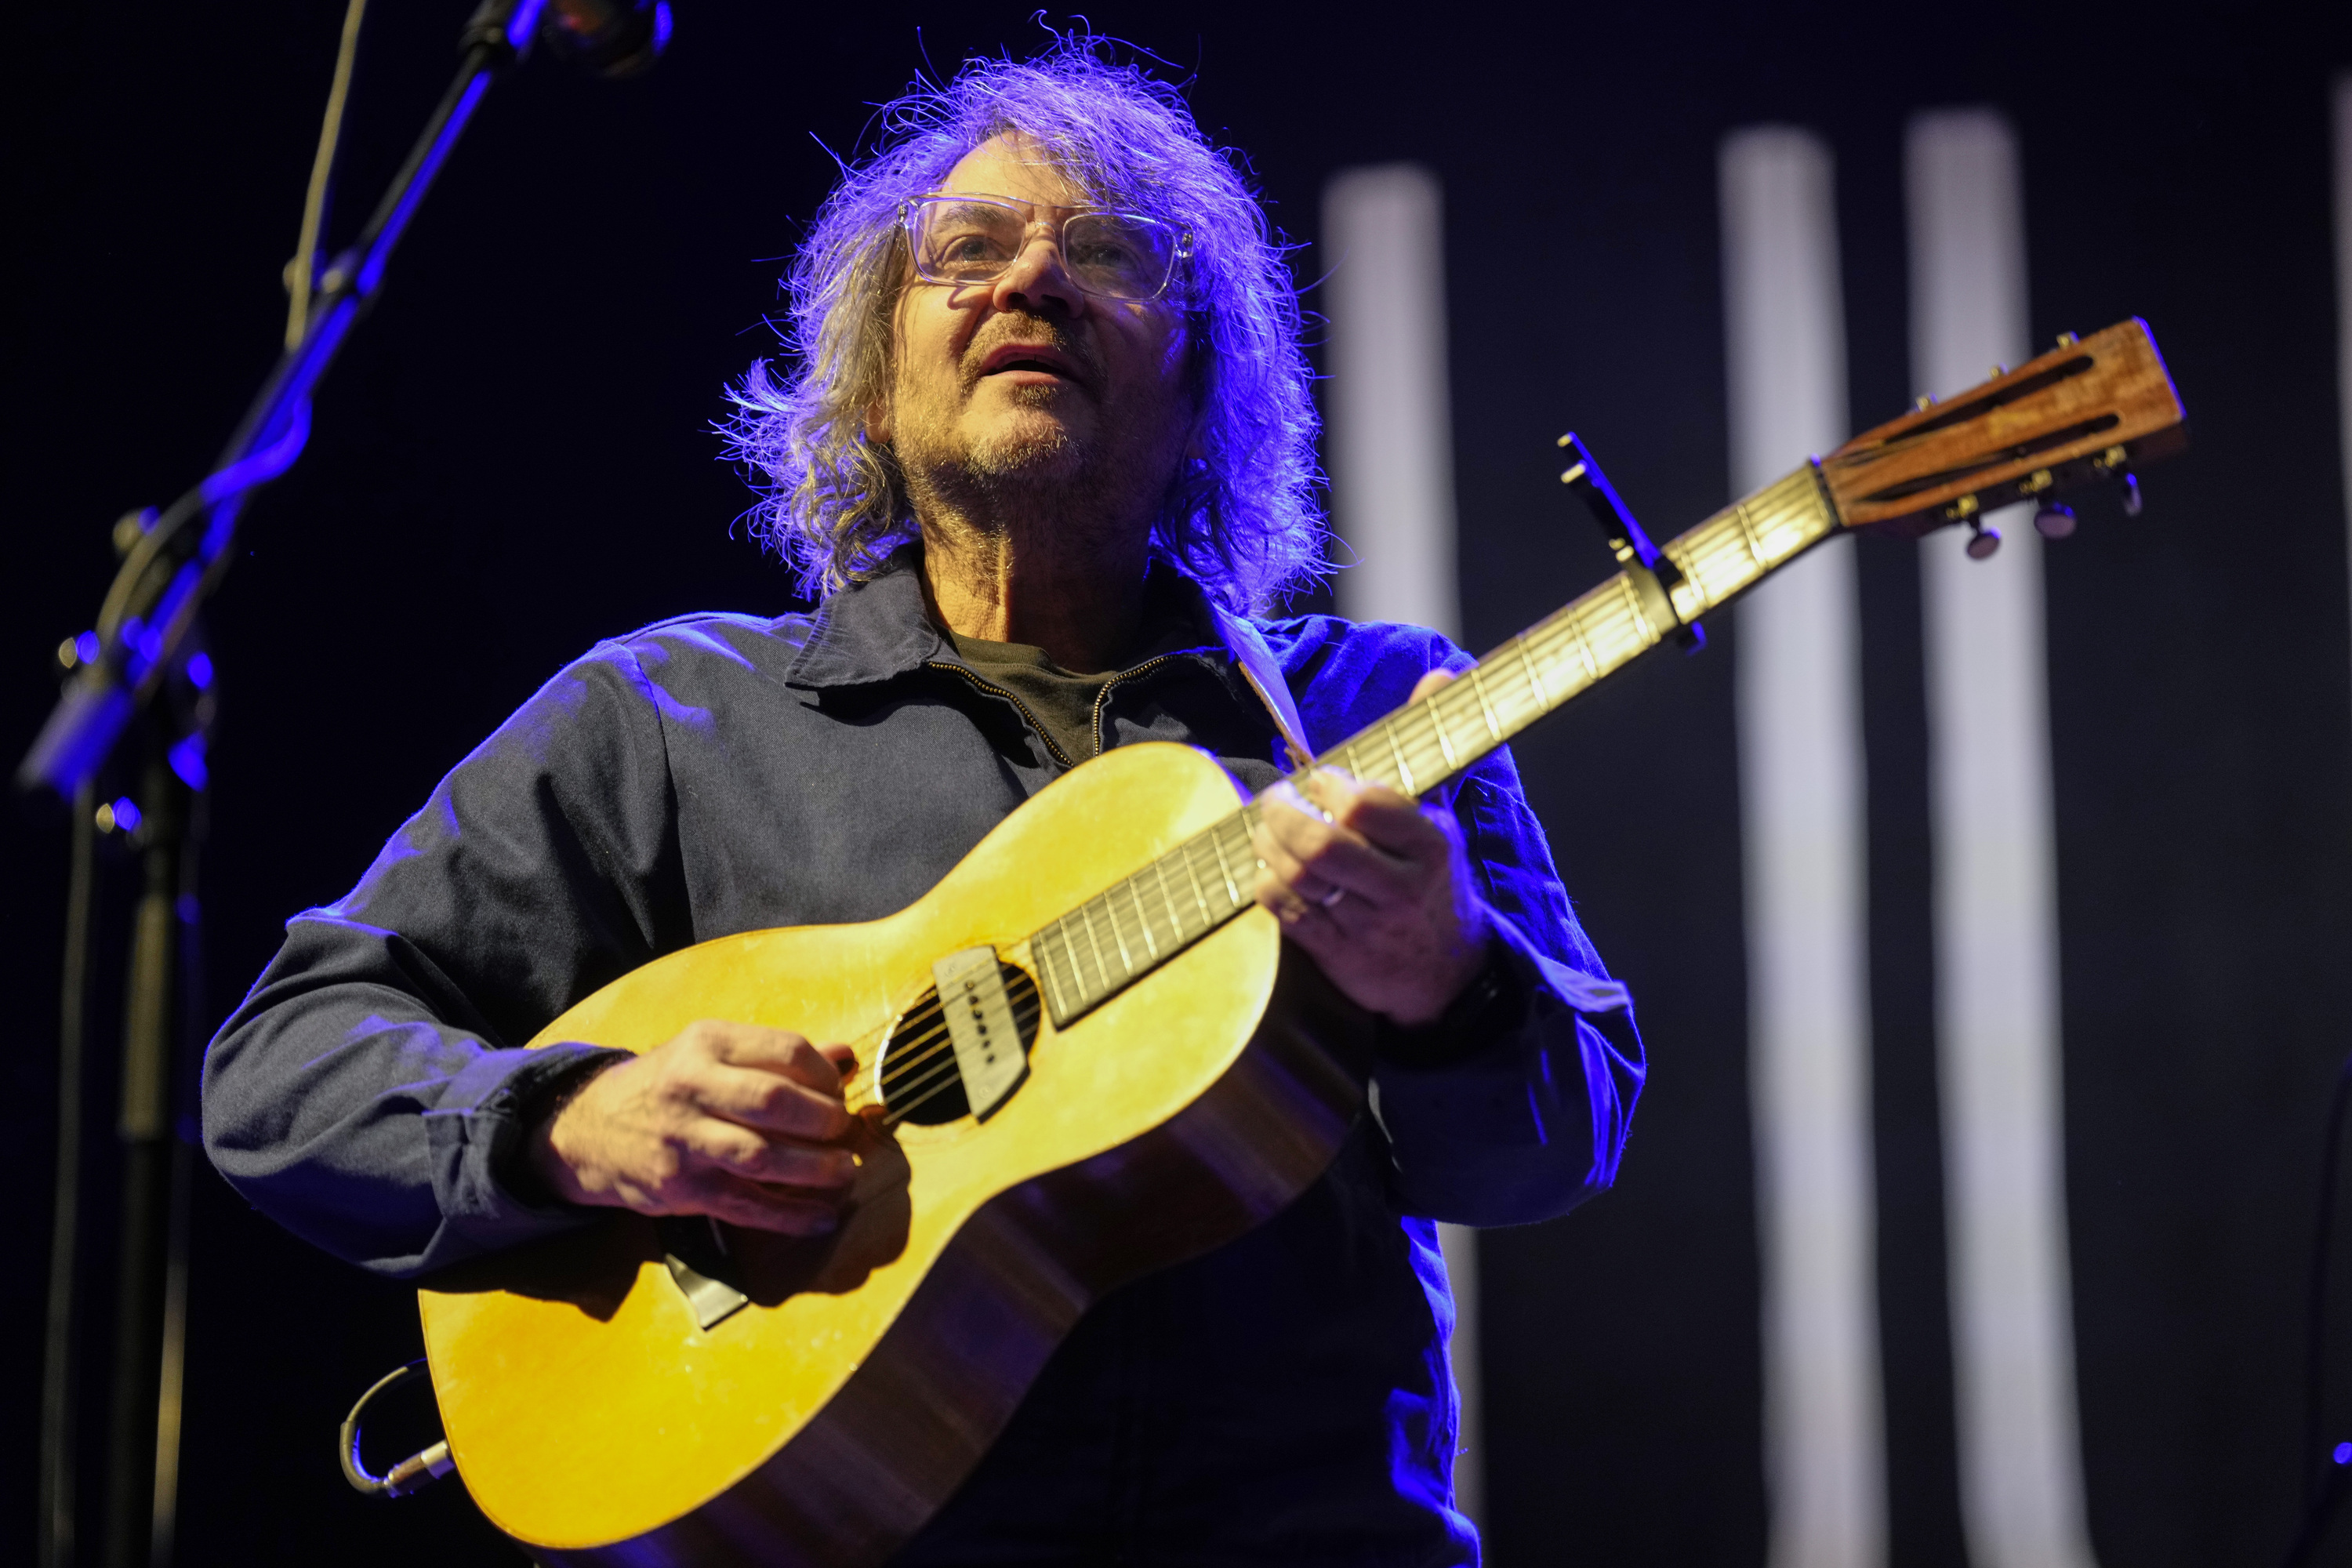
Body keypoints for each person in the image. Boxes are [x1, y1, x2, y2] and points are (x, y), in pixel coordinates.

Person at [201, 38, 1644, 1567]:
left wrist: (1449, 979)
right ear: (873, 383)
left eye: (1107, 255)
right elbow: (277, 1069)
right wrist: (570, 1119)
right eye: (966, 251)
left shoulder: (1369, 716)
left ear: (1204, 387)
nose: (1032, 284)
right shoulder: (670, 717)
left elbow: (1542, 1155)